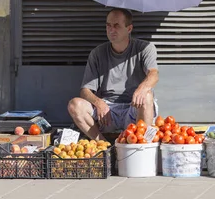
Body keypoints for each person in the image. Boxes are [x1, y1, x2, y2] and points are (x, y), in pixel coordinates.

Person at [68, 8, 159, 141]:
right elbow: (85, 91)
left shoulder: (145, 48)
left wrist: (142, 88)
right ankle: (103, 145)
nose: (111, 30)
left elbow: (154, 74)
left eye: (116, 26)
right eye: (108, 25)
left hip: (134, 107)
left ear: (129, 28)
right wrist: (98, 103)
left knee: (147, 95)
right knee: (74, 104)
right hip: (107, 111)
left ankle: (140, 146)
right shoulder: (97, 53)